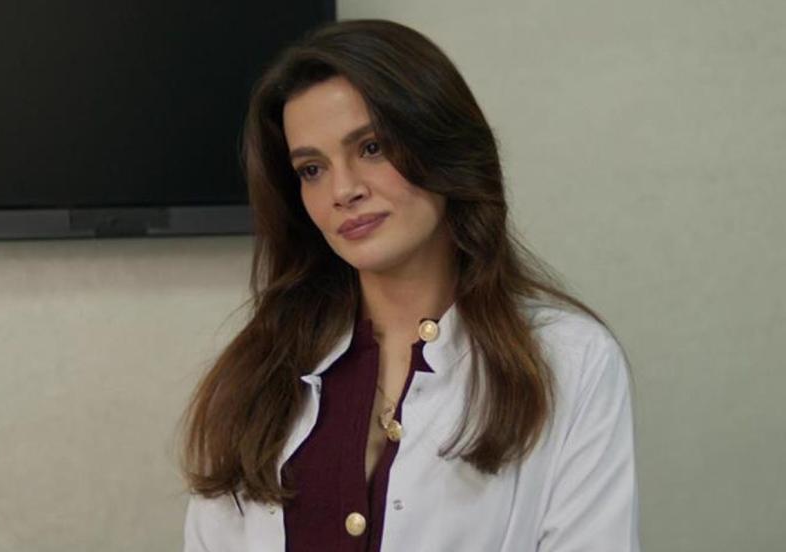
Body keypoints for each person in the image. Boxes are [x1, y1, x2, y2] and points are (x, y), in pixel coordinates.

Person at [179, 18, 640, 552]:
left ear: (442, 146)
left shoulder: (570, 362)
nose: (343, 190)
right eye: (311, 169)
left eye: (372, 147)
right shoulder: (256, 373)